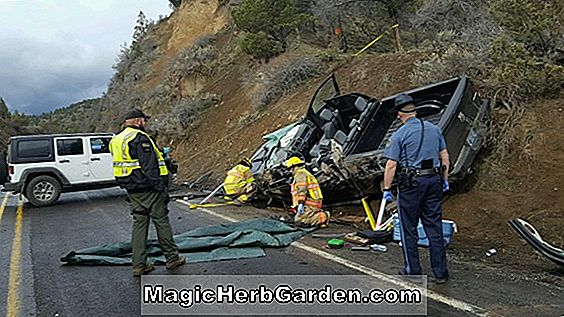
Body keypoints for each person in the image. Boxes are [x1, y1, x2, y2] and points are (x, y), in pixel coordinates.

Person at [382, 94, 450, 284]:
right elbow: (445, 157)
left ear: (399, 115)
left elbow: (391, 165)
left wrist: (387, 189)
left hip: (411, 185)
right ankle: (441, 273)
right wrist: (444, 180)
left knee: (408, 227)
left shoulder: (399, 135)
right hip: (434, 181)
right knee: (434, 227)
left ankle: (413, 270)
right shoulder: (434, 129)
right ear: (415, 111)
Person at [109, 109, 185, 277]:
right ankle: (172, 258)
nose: (146, 123)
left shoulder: (117, 139)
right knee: (161, 222)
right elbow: (150, 167)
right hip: (149, 189)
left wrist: (166, 163)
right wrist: (161, 188)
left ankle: (139, 265)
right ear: (138, 121)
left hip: (132, 189)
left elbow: (129, 162)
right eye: (144, 120)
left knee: (139, 225)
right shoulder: (140, 138)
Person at [285, 156, 329, 227]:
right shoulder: (303, 172)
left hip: (311, 203)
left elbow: (302, 189)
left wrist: (301, 203)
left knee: (300, 222)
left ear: (293, 166)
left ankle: (323, 216)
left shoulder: (300, 174)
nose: (289, 171)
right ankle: (314, 215)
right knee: (298, 219)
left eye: (289, 169)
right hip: (311, 202)